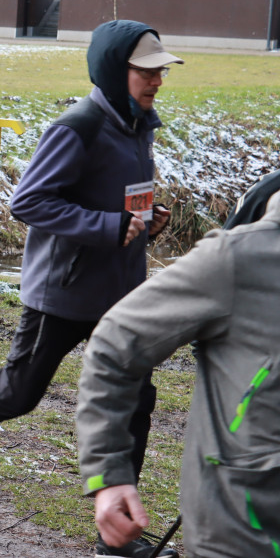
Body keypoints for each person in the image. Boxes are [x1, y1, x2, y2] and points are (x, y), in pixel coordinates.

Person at [0, 20, 183, 558]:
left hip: (123, 293)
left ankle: (115, 536)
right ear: (113, 70)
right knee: (20, 392)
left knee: (134, 405)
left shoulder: (138, 125)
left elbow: (119, 195)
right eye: (145, 71)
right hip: (65, 291)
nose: (156, 81)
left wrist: (146, 219)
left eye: (159, 72)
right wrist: (107, 227)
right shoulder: (77, 126)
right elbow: (28, 201)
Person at [76, 190, 280, 557]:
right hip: (245, 530)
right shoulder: (239, 258)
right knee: (22, 386)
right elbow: (115, 343)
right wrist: (107, 475)